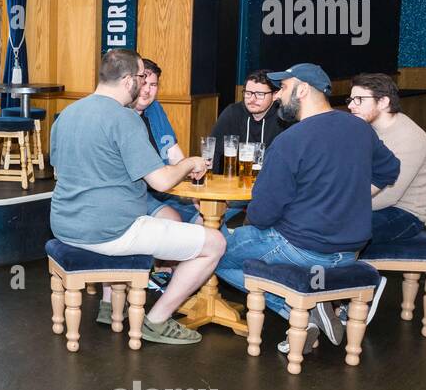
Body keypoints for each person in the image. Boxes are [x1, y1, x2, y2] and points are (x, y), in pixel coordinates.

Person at [214, 64, 400, 353]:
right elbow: (390, 169)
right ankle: (312, 309)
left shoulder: (290, 140)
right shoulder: (359, 128)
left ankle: (297, 311)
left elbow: (262, 215)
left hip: (302, 248)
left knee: (212, 253)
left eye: (283, 88)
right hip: (350, 252)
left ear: (302, 90)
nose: (277, 96)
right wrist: (350, 198)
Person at [50, 49, 224, 345]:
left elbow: (59, 172)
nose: (144, 84)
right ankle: (156, 320)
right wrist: (190, 163)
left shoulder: (67, 114)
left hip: (65, 225)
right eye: (142, 77)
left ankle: (113, 304)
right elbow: (163, 181)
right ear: (129, 80)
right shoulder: (124, 119)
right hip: (112, 232)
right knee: (214, 243)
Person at [348, 72, 426, 244]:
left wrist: (339, 207)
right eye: (351, 100)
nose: (351, 105)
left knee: (338, 226)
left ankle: (347, 269)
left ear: (383, 102)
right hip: (372, 202)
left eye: (359, 99)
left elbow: (389, 195)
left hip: (405, 213)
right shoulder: (366, 129)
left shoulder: (410, 138)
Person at [133, 58, 200, 224]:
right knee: (173, 219)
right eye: (143, 83)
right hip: (136, 192)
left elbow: (173, 152)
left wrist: (192, 185)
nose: (147, 90)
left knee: (208, 213)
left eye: (153, 85)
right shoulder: (121, 115)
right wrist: (189, 164)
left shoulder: (155, 108)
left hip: (166, 188)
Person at [208, 69, 289, 174]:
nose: (252, 99)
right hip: (237, 182)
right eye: (248, 93)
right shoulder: (232, 113)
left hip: (271, 183)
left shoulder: (284, 118)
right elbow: (214, 151)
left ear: (274, 95)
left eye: (260, 94)